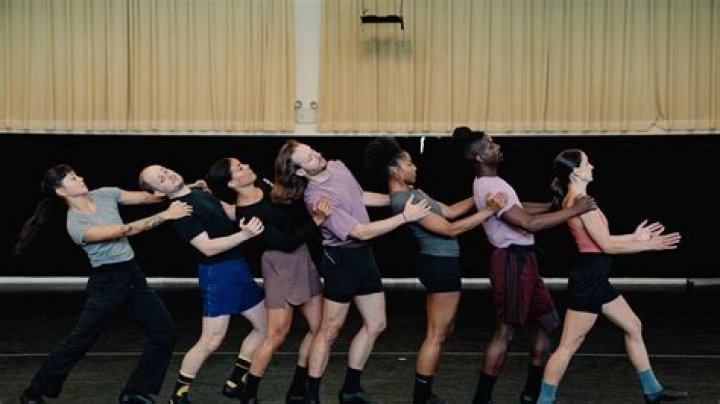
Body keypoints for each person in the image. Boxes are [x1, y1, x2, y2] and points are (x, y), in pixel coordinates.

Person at [13, 164, 192, 404]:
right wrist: (166, 215)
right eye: (73, 179)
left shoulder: (105, 194)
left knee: (165, 333)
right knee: (80, 340)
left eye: (77, 174)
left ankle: (135, 391)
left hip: (132, 275)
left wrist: (190, 188)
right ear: (61, 191)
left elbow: (150, 197)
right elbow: (125, 229)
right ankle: (34, 392)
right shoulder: (76, 225)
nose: (80, 178)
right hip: (107, 281)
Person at [273, 139, 431, 404]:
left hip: (363, 257)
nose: (317, 155)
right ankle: (312, 396)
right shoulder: (316, 197)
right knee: (330, 330)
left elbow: (360, 196)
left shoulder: (337, 166)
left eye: (313, 150)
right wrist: (406, 216)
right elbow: (360, 231)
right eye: (309, 158)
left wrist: (399, 199)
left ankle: (351, 389)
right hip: (342, 261)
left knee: (376, 323)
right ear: (300, 171)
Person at [451, 127, 598, 404]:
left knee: (548, 322)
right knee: (505, 331)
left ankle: (531, 394)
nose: (496, 146)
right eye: (490, 145)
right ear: (479, 157)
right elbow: (528, 223)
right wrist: (574, 210)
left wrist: (553, 206)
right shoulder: (491, 186)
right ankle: (482, 399)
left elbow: (519, 208)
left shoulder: (493, 182)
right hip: (511, 260)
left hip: (524, 260)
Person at [363, 137, 508, 404]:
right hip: (438, 264)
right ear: (395, 170)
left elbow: (450, 212)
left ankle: (426, 393)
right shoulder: (404, 200)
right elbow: (450, 229)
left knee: (444, 331)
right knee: (436, 334)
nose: (415, 166)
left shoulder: (414, 193)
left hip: (443, 263)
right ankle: (422, 397)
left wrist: (479, 194)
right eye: (409, 163)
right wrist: (488, 210)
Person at [536, 148, 687, 403]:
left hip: (595, 276)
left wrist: (636, 238)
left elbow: (601, 241)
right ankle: (544, 401)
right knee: (568, 345)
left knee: (633, 326)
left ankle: (653, 391)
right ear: (575, 172)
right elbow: (606, 246)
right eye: (587, 163)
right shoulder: (581, 202)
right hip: (589, 278)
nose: (592, 166)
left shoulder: (579, 200)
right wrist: (648, 245)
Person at [205, 156, 331, 404]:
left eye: (244, 163)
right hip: (279, 265)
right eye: (239, 168)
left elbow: (291, 213)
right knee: (276, 336)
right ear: (231, 183)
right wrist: (317, 221)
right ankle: (249, 395)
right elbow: (285, 243)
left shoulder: (264, 185)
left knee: (319, 329)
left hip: (302, 258)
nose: (247, 166)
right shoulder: (247, 216)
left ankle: (297, 389)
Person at [137, 164, 266, 404]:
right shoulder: (181, 212)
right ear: (158, 193)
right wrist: (244, 235)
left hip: (238, 269)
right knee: (211, 340)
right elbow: (207, 248)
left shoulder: (198, 193)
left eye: (165, 170)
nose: (168, 174)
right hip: (218, 274)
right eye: (160, 179)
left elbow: (230, 213)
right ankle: (178, 396)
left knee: (265, 327)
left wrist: (258, 198)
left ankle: (235, 383)